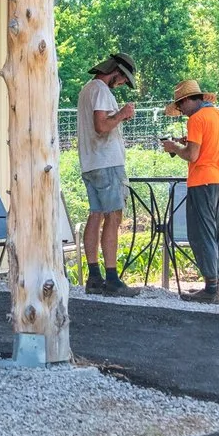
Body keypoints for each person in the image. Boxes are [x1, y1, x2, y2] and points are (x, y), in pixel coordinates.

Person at [161, 79, 219, 305]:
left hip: (202, 181)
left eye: (180, 106)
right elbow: (211, 145)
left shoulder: (197, 119)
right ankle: (213, 284)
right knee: (217, 234)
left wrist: (174, 147)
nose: (181, 111)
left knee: (201, 233)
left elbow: (192, 155)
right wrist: (187, 142)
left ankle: (211, 289)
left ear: (187, 100)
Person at [75, 53, 138, 294]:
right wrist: (122, 114)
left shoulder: (86, 90)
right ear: (116, 72)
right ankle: (112, 279)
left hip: (90, 163)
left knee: (96, 214)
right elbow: (101, 126)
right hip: (107, 162)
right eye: (123, 79)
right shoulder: (101, 89)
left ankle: (94, 276)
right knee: (113, 217)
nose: (122, 83)